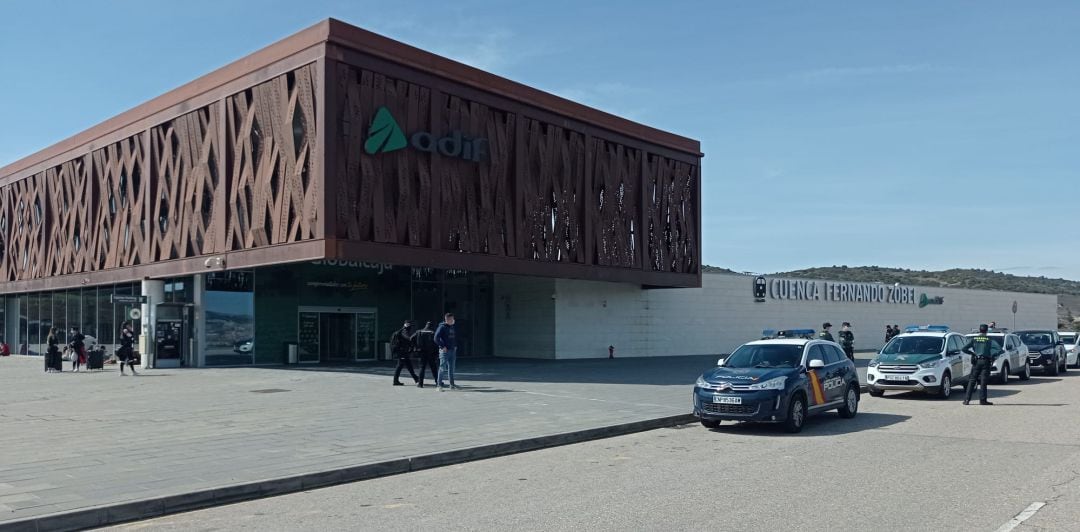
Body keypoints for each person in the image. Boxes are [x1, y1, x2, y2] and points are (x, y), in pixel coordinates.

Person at [963, 323, 1001, 406]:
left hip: (976, 362)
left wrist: (972, 354)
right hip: (985, 362)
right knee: (983, 382)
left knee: (972, 381)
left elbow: (964, 349)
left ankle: (966, 400)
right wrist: (993, 355)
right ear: (987, 330)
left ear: (979, 330)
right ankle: (982, 400)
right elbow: (999, 349)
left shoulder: (974, 339)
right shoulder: (989, 340)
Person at [390, 320, 419, 386]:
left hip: (404, 352)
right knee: (399, 366)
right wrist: (415, 335)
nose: (411, 327)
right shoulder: (404, 331)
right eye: (410, 325)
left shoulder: (404, 330)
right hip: (402, 352)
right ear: (407, 325)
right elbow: (408, 338)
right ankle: (395, 381)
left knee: (409, 366)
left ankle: (416, 378)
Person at [435, 313, 459, 391]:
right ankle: (439, 385)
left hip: (452, 350)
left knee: (451, 368)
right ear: (447, 320)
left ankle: (452, 385)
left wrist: (455, 345)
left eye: (453, 319)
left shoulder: (452, 326)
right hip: (444, 351)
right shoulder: (442, 327)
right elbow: (436, 338)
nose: (453, 320)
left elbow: (453, 337)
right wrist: (442, 346)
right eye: (451, 319)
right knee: (442, 368)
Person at [413, 321, 440, 388]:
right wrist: (437, 352)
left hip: (422, 352)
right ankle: (437, 382)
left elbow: (411, 338)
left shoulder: (419, 332)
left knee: (422, 368)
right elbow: (436, 342)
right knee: (434, 368)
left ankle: (420, 384)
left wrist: (415, 347)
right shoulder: (433, 332)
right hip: (431, 353)